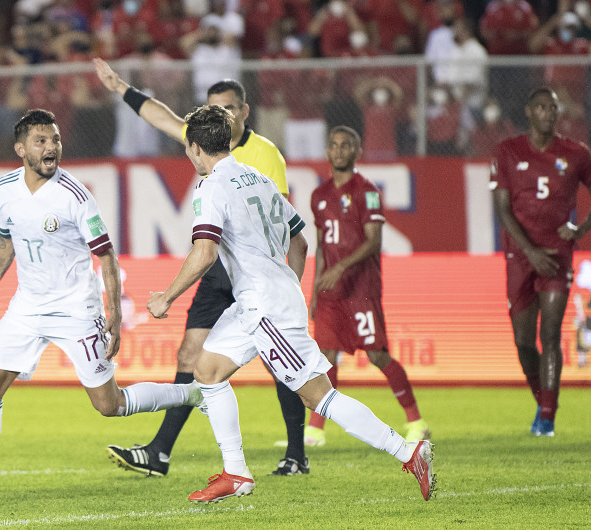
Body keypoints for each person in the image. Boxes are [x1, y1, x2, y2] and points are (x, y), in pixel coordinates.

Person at [146, 104, 434, 503]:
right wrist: (287, 286)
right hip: (261, 303)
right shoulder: (259, 178)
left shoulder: (211, 186)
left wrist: (166, 297)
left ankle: (408, 452)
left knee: (319, 396)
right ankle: (236, 473)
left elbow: (205, 253)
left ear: (195, 148)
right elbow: (299, 240)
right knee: (208, 370)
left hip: (265, 308)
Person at [0, 109, 203, 503]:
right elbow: (6, 239)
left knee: (109, 405)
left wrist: (113, 316)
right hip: (26, 306)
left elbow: (108, 257)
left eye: (55, 140)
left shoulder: (76, 196)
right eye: (41, 141)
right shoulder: (4, 189)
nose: (51, 148)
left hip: (76, 309)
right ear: (20, 149)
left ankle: (191, 394)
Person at [93, 58, 312, 477]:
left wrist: (285, 285)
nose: (221, 114)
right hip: (216, 269)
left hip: (251, 272)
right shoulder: (205, 138)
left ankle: (296, 453)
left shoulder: (265, 155)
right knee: (191, 354)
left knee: (278, 359)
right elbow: (164, 118)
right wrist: (121, 87)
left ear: (244, 111)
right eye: (214, 107)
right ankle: (159, 452)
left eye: (228, 107)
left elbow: (280, 224)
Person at [303, 126, 430, 448]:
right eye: (334, 145)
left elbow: (374, 242)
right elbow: (321, 246)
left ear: (357, 151)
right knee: (324, 357)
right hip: (331, 292)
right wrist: (314, 290)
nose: (339, 150)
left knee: (377, 355)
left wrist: (342, 268)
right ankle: (315, 430)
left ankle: (416, 421)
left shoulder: (368, 191)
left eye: (346, 145)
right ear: (328, 151)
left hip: (361, 288)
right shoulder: (319, 196)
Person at [490, 87, 591, 437]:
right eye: (542, 107)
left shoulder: (577, 153)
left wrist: (579, 229)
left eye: (553, 107)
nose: (548, 113)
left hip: (557, 254)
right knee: (522, 341)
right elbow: (502, 208)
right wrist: (530, 251)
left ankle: (547, 415)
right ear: (529, 112)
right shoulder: (508, 151)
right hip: (521, 255)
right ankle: (542, 398)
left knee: (550, 334)